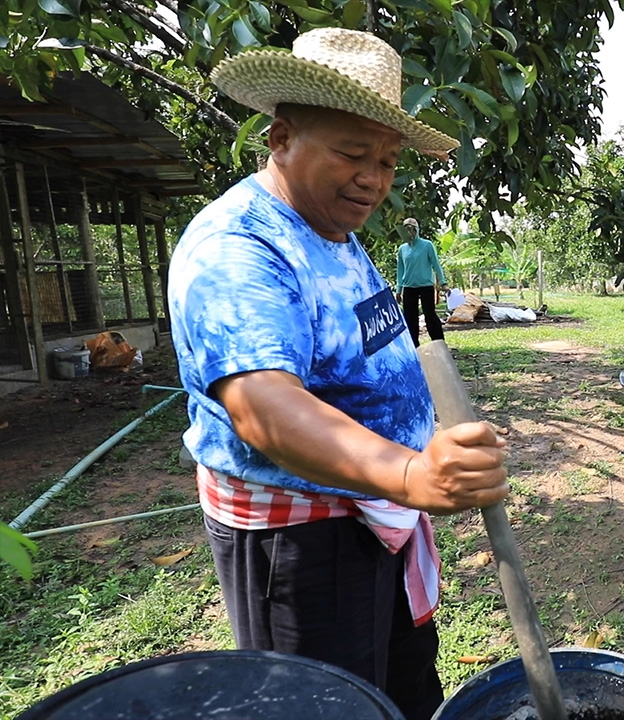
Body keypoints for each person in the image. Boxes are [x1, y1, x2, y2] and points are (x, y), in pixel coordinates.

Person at [167, 28, 509, 719]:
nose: (374, 179)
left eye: (386, 161)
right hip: (300, 542)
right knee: (327, 705)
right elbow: (263, 406)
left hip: (373, 512)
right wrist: (414, 475)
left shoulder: (333, 233)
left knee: (402, 689)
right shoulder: (239, 247)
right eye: (353, 154)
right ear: (281, 137)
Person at [396, 217, 447, 345]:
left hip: (426, 286)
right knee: (410, 318)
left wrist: (443, 282)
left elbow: (436, 264)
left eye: (411, 229)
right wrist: (399, 289)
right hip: (409, 287)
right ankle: (414, 346)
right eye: (406, 229)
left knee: (430, 315)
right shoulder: (402, 249)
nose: (409, 232)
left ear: (416, 230)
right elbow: (400, 270)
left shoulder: (427, 245)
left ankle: (438, 343)